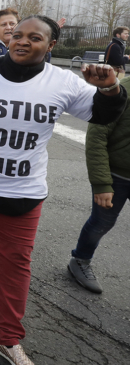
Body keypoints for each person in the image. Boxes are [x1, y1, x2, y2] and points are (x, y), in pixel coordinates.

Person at [0, 16, 126, 365]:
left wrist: (110, 88)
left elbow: (103, 114)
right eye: (17, 35)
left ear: (51, 46)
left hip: (22, 190)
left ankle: (5, 337)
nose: (22, 41)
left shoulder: (62, 82)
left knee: (17, 264)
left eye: (34, 38)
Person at [68, 73, 130, 293]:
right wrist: (103, 183)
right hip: (117, 176)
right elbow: (96, 136)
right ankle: (80, 260)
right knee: (102, 222)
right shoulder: (122, 91)